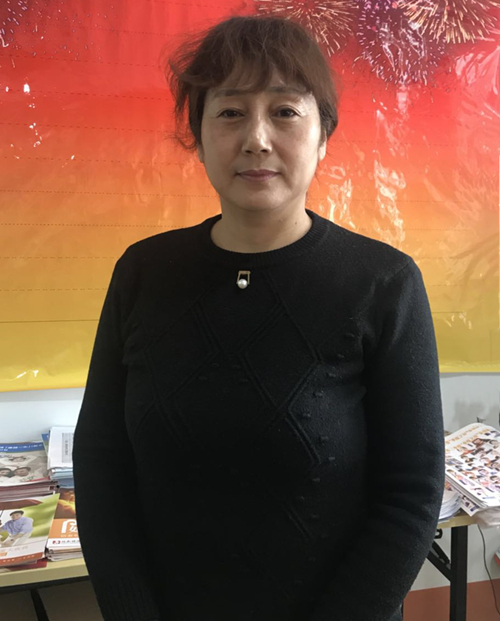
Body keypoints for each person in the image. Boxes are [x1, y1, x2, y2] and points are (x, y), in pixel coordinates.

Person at [73, 15, 445, 621]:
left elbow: (411, 495)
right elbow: (100, 461)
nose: (256, 139)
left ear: (323, 135)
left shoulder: (383, 282)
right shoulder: (143, 272)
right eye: (230, 112)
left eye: (285, 111)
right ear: (197, 135)